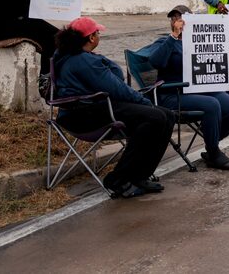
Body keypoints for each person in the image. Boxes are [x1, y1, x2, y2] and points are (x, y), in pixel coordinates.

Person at [53, 17, 175, 198]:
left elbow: (114, 74)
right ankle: (118, 179)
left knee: (167, 116)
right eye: (97, 33)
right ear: (92, 38)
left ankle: (138, 176)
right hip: (84, 114)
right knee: (155, 116)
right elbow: (117, 88)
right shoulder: (83, 61)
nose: (99, 36)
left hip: (89, 109)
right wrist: (145, 102)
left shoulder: (75, 56)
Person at [145, 5, 229, 170]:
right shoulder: (165, 41)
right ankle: (213, 152)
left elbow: (217, 63)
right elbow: (156, 61)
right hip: (173, 93)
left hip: (199, 90)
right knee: (211, 105)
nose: (177, 21)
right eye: (173, 18)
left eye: (180, 17)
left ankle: (212, 142)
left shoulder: (201, 39)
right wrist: (174, 36)